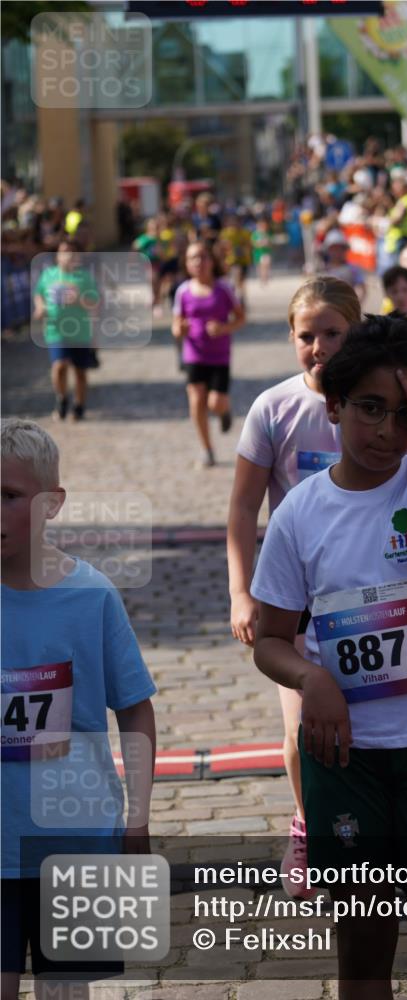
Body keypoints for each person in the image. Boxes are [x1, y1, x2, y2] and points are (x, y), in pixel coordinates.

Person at [251, 314, 407, 1000]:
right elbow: (270, 638)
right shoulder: (300, 513)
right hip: (344, 755)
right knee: (362, 949)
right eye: (369, 409)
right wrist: (309, 676)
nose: (387, 431)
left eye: (404, 413)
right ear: (334, 407)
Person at [1, 418, 156, 1000]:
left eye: (9, 496)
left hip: (74, 839)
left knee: (65, 990)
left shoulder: (91, 596)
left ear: (51, 504)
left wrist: (137, 817)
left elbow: (135, 710)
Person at [227, 277, 362, 896]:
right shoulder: (273, 409)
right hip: (295, 598)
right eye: (307, 336)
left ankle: (362, 830)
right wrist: (241, 592)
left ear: (356, 331)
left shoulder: (374, 403)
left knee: (364, 726)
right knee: (300, 729)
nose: (320, 347)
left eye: (333, 333)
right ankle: (308, 823)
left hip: (364, 595)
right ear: (292, 339)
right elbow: (242, 511)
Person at [172, 241, 246, 467]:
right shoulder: (183, 291)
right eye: (192, 258)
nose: (198, 262)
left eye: (202, 257)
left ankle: (224, 411)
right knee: (196, 401)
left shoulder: (223, 289)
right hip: (194, 354)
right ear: (187, 263)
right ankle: (207, 450)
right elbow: (176, 326)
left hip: (220, 356)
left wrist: (223, 329)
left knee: (215, 403)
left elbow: (240, 318)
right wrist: (180, 330)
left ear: (211, 261)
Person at [33, 239, 100, 422]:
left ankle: (79, 406)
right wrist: (40, 307)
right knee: (59, 366)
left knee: (80, 371)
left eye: (71, 251)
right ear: (57, 256)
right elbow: (39, 293)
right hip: (56, 329)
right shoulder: (49, 275)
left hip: (80, 330)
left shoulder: (84, 277)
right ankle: (62, 397)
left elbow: (94, 302)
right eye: (64, 251)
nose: (68, 255)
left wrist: (78, 299)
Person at [319, 230, 367, 305]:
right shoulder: (322, 269)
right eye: (333, 249)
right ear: (328, 250)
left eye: (339, 248)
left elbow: (361, 289)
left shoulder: (353, 269)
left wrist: (356, 305)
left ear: (345, 249)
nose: (336, 252)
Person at [251, 216, 273, 285]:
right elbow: (253, 243)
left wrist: (267, 243)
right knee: (260, 267)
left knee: (266, 266)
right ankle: (262, 278)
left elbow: (270, 244)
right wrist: (260, 243)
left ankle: (265, 278)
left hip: (266, 253)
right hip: (258, 253)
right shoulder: (255, 234)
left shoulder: (267, 233)